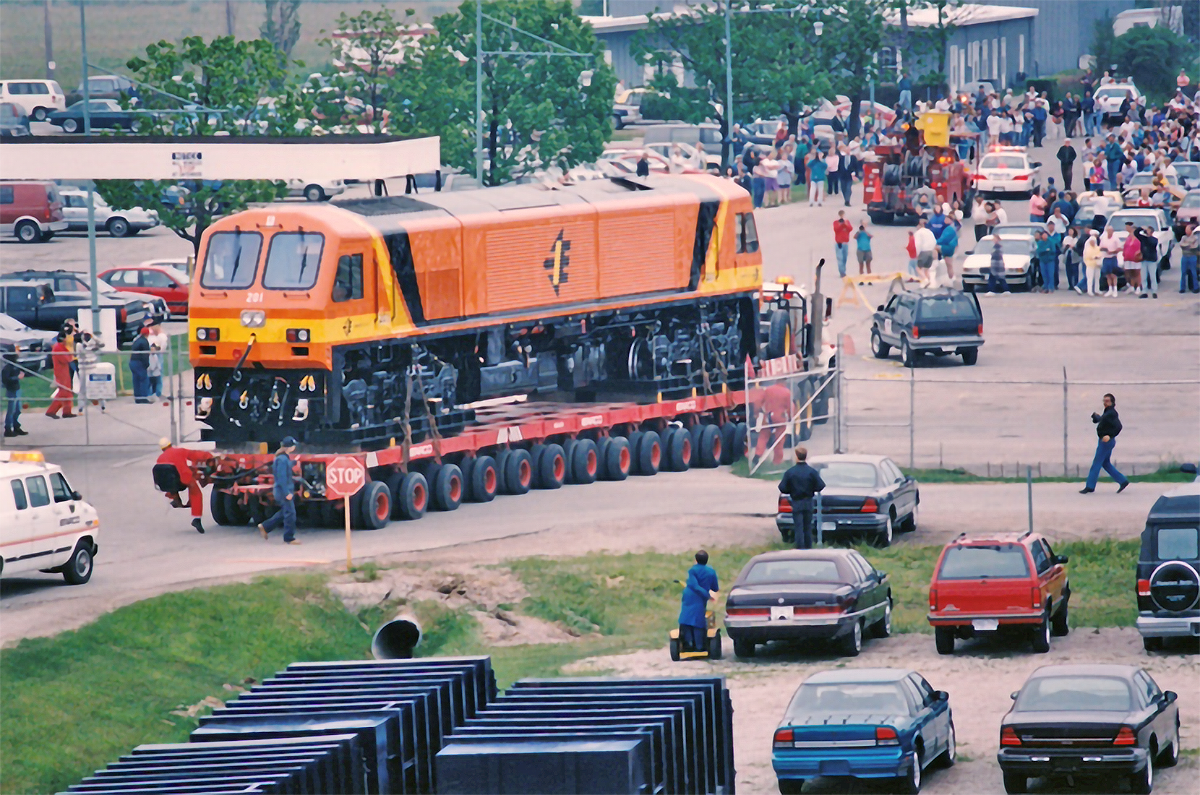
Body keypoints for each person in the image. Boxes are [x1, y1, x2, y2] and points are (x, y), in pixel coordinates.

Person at [155, 438, 213, 534]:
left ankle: (175, 498)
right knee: (196, 493)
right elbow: (195, 455)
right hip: (185, 478)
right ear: (171, 444)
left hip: (171, 484)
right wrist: (209, 456)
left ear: (162, 449)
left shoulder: (160, 458)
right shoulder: (179, 451)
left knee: (171, 480)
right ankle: (196, 519)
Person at [1080, 393, 1129, 494]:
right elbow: (1102, 420)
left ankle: (1090, 486)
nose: (1105, 403)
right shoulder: (1108, 412)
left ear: (1112, 402)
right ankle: (1122, 480)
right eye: (1104, 401)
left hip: (1106, 442)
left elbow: (1118, 426)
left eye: (1107, 401)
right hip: (1104, 441)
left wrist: (1110, 436)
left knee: (1096, 463)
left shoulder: (1112, 413)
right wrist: (1096, 417)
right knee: (1105, 463)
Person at [778, 446, 825, 549]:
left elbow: (782, 488)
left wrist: (791, 490)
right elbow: (821, 485)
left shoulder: (791, 472)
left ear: (796, 457)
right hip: (808, 501)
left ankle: (800, 547)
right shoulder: (811, 472)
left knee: (798, 527)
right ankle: (809, 547)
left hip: (796, 501)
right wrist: (812, 488)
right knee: (808, 526)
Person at [258, 436, 302, 545]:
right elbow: (281, 477)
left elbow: (285, 468)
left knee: (285, 512)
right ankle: (289, 537)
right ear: (289, 447)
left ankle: (265, 526)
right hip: (283, 491)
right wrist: (287, 493)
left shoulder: (283, 458)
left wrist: (294, 462)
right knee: (291, 513)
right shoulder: (282, 459)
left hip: (281, 490)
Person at [678, 550, 719, 653]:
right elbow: (715, 587)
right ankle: (700, 645)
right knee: (698, 620)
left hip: (690, 597)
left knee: (686, 619)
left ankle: (689, 644)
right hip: (701, 600)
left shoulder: (692, 570)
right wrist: (708, 594)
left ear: (695, 560)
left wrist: (706, 594)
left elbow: (694, 585)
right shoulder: (711, 571)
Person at [45, 331, 76, 419]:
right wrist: (70, 356)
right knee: (63, 392)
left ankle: (67, 411)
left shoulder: (61, 347)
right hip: (61, 372)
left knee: (68, 392)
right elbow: (66, 359)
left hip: (64, 371)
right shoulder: (58, 348)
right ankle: (51, 411)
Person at [2, 353, 25, 438]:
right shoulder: (7, 368)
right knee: (11, 410)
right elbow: (5, 380)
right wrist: (17, 377)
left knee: (18, 410)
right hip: (11, 390)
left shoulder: (16, 365)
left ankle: (16, 426)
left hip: (17, 389)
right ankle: (8, 429)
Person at [1135, 225, 1159, 299]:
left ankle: (1154, 291)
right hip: (1144, 259)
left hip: (1151, 260)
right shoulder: (1143, 238)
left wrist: (1148, 235)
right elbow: (1136, 233)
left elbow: (1152, 243)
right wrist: (1141, 228)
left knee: (1152, 276)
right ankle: (1144, 292)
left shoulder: (1154, 239)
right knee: (1143, 277)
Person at [129, 326, 152, 403]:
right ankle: (143, 398)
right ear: (147, 334)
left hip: (132, 361)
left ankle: (137, 397)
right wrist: (146, 364)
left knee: (136, 380)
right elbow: (145, 355)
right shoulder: (144, 342)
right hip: (139, 362)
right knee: (143, 380)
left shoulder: (136, 340)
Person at [1099, 226, 1123, 297]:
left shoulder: (1116, 239)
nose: (1110, 232)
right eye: (1108, 231)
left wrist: (1112, 252)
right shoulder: (1103, 238)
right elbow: (1100, 247)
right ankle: (1110, 289)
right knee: (1107, 274)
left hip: (1113, 258)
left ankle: (1115, 290)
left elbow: (1120, 248)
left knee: (1113, 274)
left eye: (1111, 231)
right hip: (1106, 258)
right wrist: (1105, 250)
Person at [913, 217, 938, 286]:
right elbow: (934, 241)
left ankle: (925, 280)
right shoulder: (929, 232)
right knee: (927, 269)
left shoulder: (918, 233)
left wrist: (917, 254)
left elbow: (918, 244)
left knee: (918, 268)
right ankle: (929, 282)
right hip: (930, 251)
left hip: (924, 251)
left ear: (919, 225)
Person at [1179, 222, 1199, 293]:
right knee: (1183, 272)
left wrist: (1186, 244)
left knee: (1194, 272)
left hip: (1192, 257)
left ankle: (1196, 287)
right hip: (1184, 257)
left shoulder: (1195, 238)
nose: (1186, 231)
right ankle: (1182, 288)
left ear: (1191, 231)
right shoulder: (1183, 237)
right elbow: (1181, 244)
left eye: (1187, 229)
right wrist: (1190, 244)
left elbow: (1195, 246)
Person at [1082, 230, 1103, 295]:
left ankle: (1097, 289)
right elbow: (1087, 256)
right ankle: (1090, 290)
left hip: (1097, 265)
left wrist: (1098, 257)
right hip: (1090, 265)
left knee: (1097, 278)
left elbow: (1100, 254)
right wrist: (1094, 257)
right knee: (1090, 278)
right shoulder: (1087, 249)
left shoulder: (1097, 248)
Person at [832, 210, 853, 278]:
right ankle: (842, 272)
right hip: (839, 243)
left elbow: (850, 229)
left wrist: (844, 224)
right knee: (840, 258)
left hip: (845, 242)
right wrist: (841, 224)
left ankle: (843, 270)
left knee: (844, 258)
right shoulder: (836, 222)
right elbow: (836, 229)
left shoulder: (847, 222)